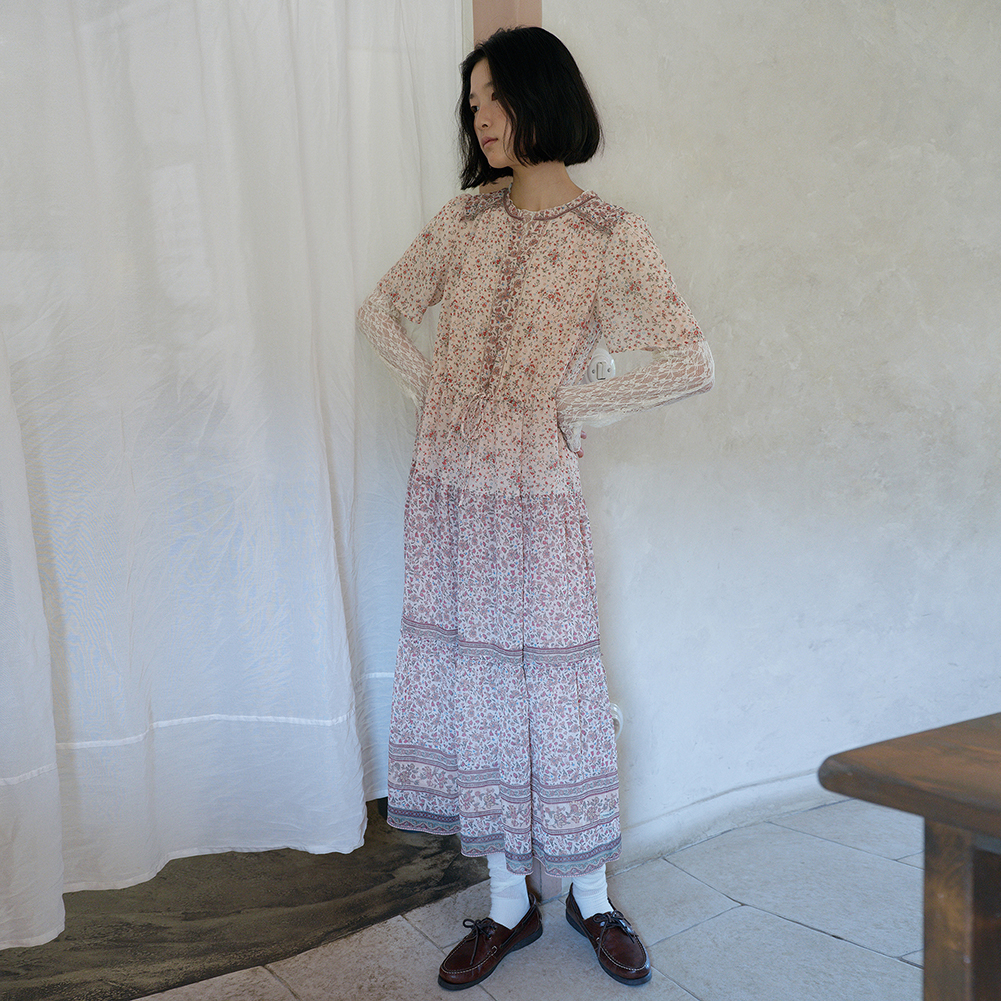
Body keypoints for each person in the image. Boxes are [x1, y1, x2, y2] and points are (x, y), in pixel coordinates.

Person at [357, 26, 714, 991]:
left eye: (496, 97)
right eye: (472, 102)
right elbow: (380, 311)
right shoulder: (462, 222)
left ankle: (590, 896)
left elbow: (689, 360)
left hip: (536, 499)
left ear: (542, 97)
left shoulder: (609, 235)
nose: (481, 117)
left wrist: (573, 405)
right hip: (448, 497)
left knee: (558, 692)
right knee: (475, 686)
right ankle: (507, 904)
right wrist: (440, 393)